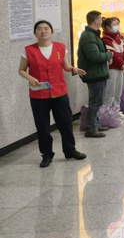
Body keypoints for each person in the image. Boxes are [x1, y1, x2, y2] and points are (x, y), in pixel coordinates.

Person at [19, 20, 89, 167]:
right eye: (39, 29)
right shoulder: (29, 50)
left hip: (59, 93)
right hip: (38, 95)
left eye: (46, 28)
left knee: (66, 123)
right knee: (43, 126)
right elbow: (21, 70)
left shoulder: (60, 48)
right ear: (35, 33)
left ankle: (70, 150)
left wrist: (73, 69)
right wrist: (30, 78)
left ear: (51, 32)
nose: (43, 31)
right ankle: (46, 154)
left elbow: (66, 66)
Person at [77, 10, 113, 137]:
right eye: (101, 19)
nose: (102, 21)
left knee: (98, 101)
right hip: (94, 74)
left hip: (98, 73)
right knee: (95, 102)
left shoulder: (93, 35)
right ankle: (91, 128)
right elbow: (94, 56)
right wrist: (109, 55)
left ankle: (95, 124)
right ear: (96, 21)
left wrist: (106, 56)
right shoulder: (88, 36)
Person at [101, 17, 124, 119]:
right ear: (108, 27)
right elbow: (113, 54)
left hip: (120, 68)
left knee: (118, 91)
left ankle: (116, 111)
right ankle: (107, 113)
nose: (117, 26)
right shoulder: (106, 39)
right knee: (111, 92)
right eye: (114, 24)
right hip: (112, 68)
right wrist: (122, 64)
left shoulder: (118, 37)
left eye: (118, 23)